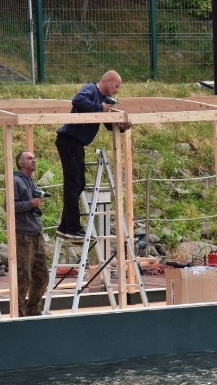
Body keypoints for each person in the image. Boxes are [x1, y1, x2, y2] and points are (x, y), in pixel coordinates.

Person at [55, 69, 130, 238]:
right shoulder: (90, 89)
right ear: (109, 81)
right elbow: (77, 100)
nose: (116, 90)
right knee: (73, 185)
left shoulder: (103, 100)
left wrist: (121, 126)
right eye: (116, 86)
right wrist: (99, 107)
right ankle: (72, 227)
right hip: (69, 141)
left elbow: (107, 123)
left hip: (75, 143)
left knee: (78, 184)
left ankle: (65, 226)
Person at [12, 150, 49, 317]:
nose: (33, 160)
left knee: (42, 276)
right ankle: (18, 314)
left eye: (34, 157)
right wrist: (30, 204)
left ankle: (33, 310)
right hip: (23, 236)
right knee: (23, 276)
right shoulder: (15, 182)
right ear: (20, 163)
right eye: (29, 158)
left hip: (36, 234)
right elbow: (10, 206)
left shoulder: (31, 181)